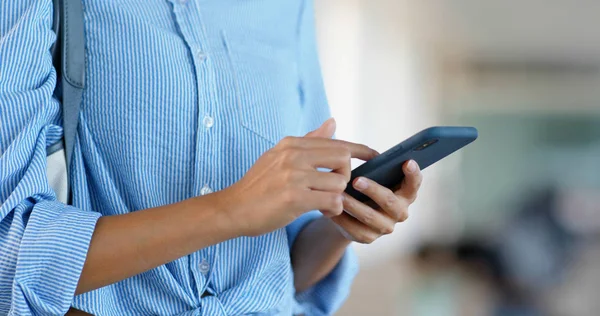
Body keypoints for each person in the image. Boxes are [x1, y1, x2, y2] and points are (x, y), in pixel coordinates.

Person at [0, 1, 423, 315]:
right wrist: (230, 209)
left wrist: (342, 225)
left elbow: (279, 269)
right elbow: (10, 252)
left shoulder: (289, 9)